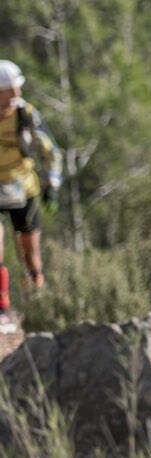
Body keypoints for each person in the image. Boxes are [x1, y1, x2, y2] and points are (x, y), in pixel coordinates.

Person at [0, 61, 60, 315]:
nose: (16, 95)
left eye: (18, 89)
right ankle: (2, 309)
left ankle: (37, 308)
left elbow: (50, 151)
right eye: (10, 90)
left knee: (30, 255)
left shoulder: (26, 113)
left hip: (24, 189)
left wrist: (52, 184)